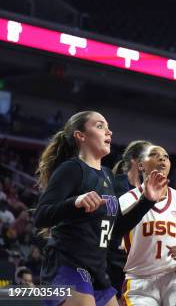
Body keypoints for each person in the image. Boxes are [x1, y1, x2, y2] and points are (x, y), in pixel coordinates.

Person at [33, 111, 167, 306]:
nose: (109, 131)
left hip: (98, 271)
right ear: (81, 136)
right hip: (67, 266)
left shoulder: (106, 175)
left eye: (108, 126)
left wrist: (147, 201)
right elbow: (41, 216)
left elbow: (116, 229)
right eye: (100, 126)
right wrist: (75, 202)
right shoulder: (72, 169)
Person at [119, 144, 176, 305]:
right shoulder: (126, 200)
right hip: (139, 279)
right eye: (153, 154)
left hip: (175, 276)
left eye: (166, 156)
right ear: (140, 165)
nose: (162, 158)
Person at [107, 140, 152, 295]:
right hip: (115, 263)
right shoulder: (114, 185)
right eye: (150, 157)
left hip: (141, 265)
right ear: (135, 160)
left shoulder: (152, 192)